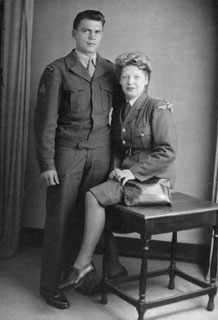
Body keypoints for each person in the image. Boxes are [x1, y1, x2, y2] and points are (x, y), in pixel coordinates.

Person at [58, 51, 177, 291]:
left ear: (146, 81)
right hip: (128, 178)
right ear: (119, 81)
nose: (130, 82)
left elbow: (167, 152)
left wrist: (131, 173)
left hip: (152, 182)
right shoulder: (121, 109)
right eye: (125, 77)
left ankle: (82, 265)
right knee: (91, 203)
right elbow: (117, 150)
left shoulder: (158, 107)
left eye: (136, 77)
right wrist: (114, 171)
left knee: (94, 196)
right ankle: (113, 269)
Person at [34, 10, 126, 309]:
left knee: (90, 220)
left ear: (102, 34)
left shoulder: (111, 71)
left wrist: (161, 107)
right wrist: (47, 163)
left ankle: (82, 276)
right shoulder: (57, 70)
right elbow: (45, 122)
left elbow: (127, 113)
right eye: (86, 31)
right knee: (60, 219)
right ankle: (49, 285)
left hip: (101, 153)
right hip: (67, 152)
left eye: (97, 32)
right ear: (74, 33)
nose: (91, 37)